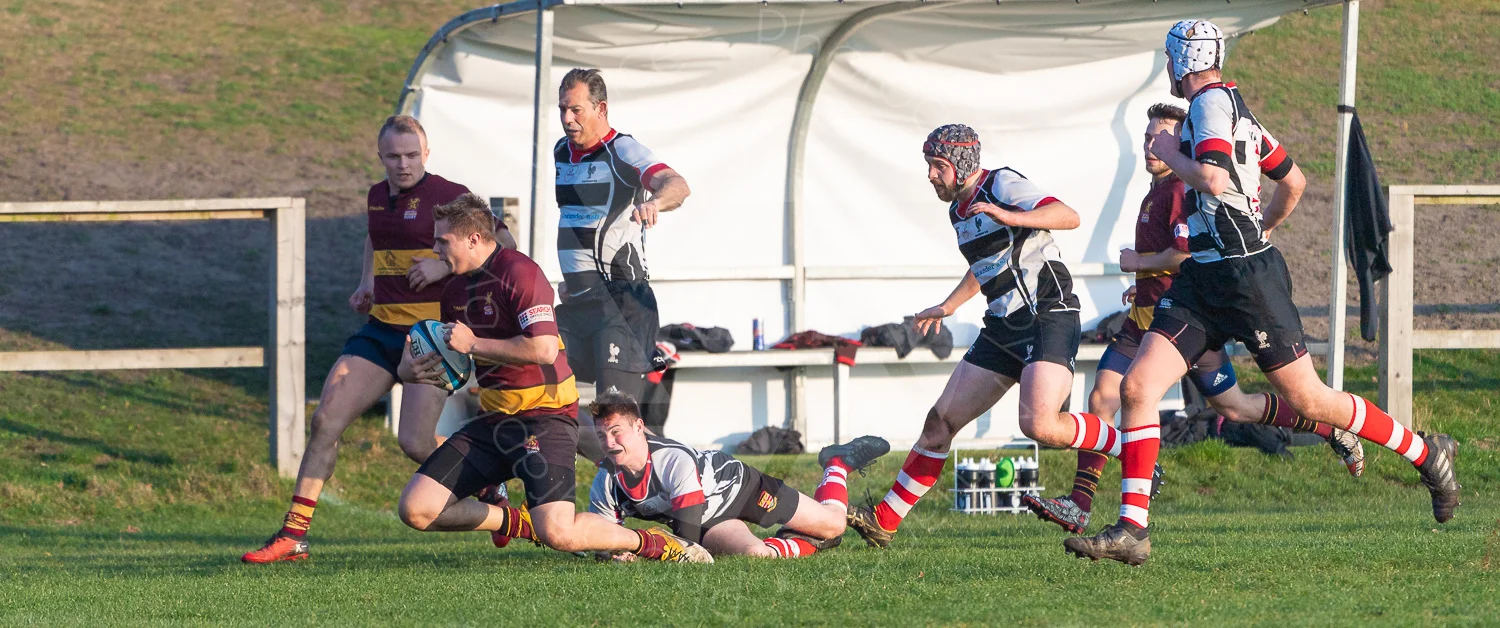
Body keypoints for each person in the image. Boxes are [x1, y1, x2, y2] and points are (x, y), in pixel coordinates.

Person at [1064, 20, 1461, 566]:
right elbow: (1292, 181)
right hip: (1204, 279)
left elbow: (1212, 178)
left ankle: (1426, 450)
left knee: (1311, 399)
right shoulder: (1239, 109)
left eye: (1170, 58)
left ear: (1182, 60)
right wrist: (1263, 225)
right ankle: (1133, 530)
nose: (1169, 69)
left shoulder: (1206, 106)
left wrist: (1167, 150)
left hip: (1249, 282)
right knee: (1137, 389)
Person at [1024, 104, 1365, 534]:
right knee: (1103, 397)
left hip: (1182, 320)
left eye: (1161, 136)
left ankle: (1323, 425)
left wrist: (1140, 262)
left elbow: (1186, 255)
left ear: (1183, 141)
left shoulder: (1180, 193)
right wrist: (1143, 281)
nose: (1152, 145)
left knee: (1234, 407)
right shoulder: (1158, 190)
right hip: (1143, 317)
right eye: (1148, 137)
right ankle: (1084, 501)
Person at [845, 124, 1130, 549]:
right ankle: (884, 520)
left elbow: (1068, 216)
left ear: (960, 165)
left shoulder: (1002, 183)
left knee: (1039, 424)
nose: (930, 175)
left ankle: (1133, 449)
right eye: (928, 165)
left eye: (937, 166)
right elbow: (987, 264)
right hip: (1003, 328)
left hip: (1048, 315)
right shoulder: (957, 212)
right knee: (939, 423)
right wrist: (950, 305)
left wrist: (1009, 213)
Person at [243, 115, 510, 563]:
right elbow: (375, 237)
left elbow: (502, 243)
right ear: (380, 156)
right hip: (380, 330)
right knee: (325, 419)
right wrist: (365, 281)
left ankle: (491, 484)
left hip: (430, 339)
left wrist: (445, 267)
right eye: (393, 156)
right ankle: (294, 536)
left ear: (427, 153)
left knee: (416, 444)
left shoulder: (451, 196)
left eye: (411, 154)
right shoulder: (375, 196)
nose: (403, 164)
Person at [395, 194, 710, 563]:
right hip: (494, 424)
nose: (435, 248)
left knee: (559, 533)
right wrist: (410, 368)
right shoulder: (453, 291)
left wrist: (474, 342)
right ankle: (519, 523)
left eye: (441, 241)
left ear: (473, 239)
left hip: (545, 419)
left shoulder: (520, 273)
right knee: (416, 509)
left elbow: (544, 349)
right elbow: (459, 363)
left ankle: (657, 544)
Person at [551, 68, 691, 460]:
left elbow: (678, 185)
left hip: (622, 304)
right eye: (562, 109)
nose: (566, 119)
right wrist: (573, 278)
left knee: (614, 425)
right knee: (534, 369)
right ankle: (630, 471)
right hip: (580, 303)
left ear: (601, 108)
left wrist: (654, 202)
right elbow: (580, 219)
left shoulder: (622, 150)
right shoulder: (562, 151)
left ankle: (654, 484)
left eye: (575, 110)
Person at [586, 391, 889, 560]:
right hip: (710, 520)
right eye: (601, 436)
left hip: (742, 488)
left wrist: (641, 551)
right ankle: (805, 539)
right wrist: (614, 553)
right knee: (757, 555)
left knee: (834, 525)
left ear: (639, 427)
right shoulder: (606, 480)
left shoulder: (669, 460)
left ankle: (836, 463)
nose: (609, 443)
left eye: (616, 432)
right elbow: (604, 536)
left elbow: (686, 542)